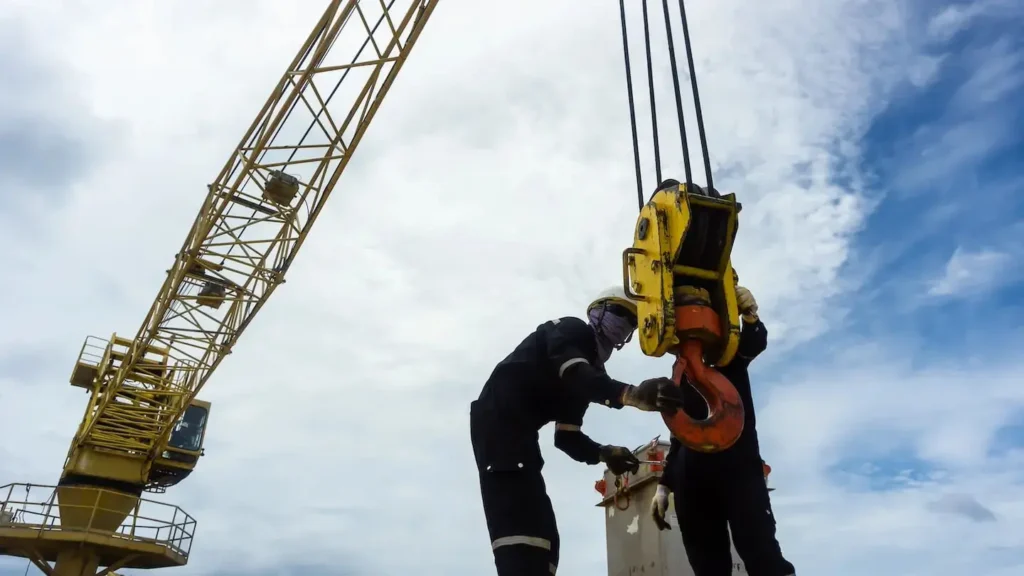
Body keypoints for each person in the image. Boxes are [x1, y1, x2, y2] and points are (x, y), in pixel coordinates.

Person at [471, 286, 683, 576]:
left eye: (632, 322)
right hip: (498, 426)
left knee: (545, 540)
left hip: (518, 436)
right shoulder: (571, 331)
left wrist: (604, 453)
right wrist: (630, 394)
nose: (625, 326)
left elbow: (566, 438)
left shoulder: (590, 372)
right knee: (521, 535)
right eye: (620, 313)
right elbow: (577, 374)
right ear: (598, 311)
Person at [649, 281, 796, 576]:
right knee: (707, 565)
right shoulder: (681, 373)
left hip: (738, 469)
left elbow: (754, 343)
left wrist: (751, 316)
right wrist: (665, 484)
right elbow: (681, 435)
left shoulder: (730, 360)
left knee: (763, 555)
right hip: (691, 479)